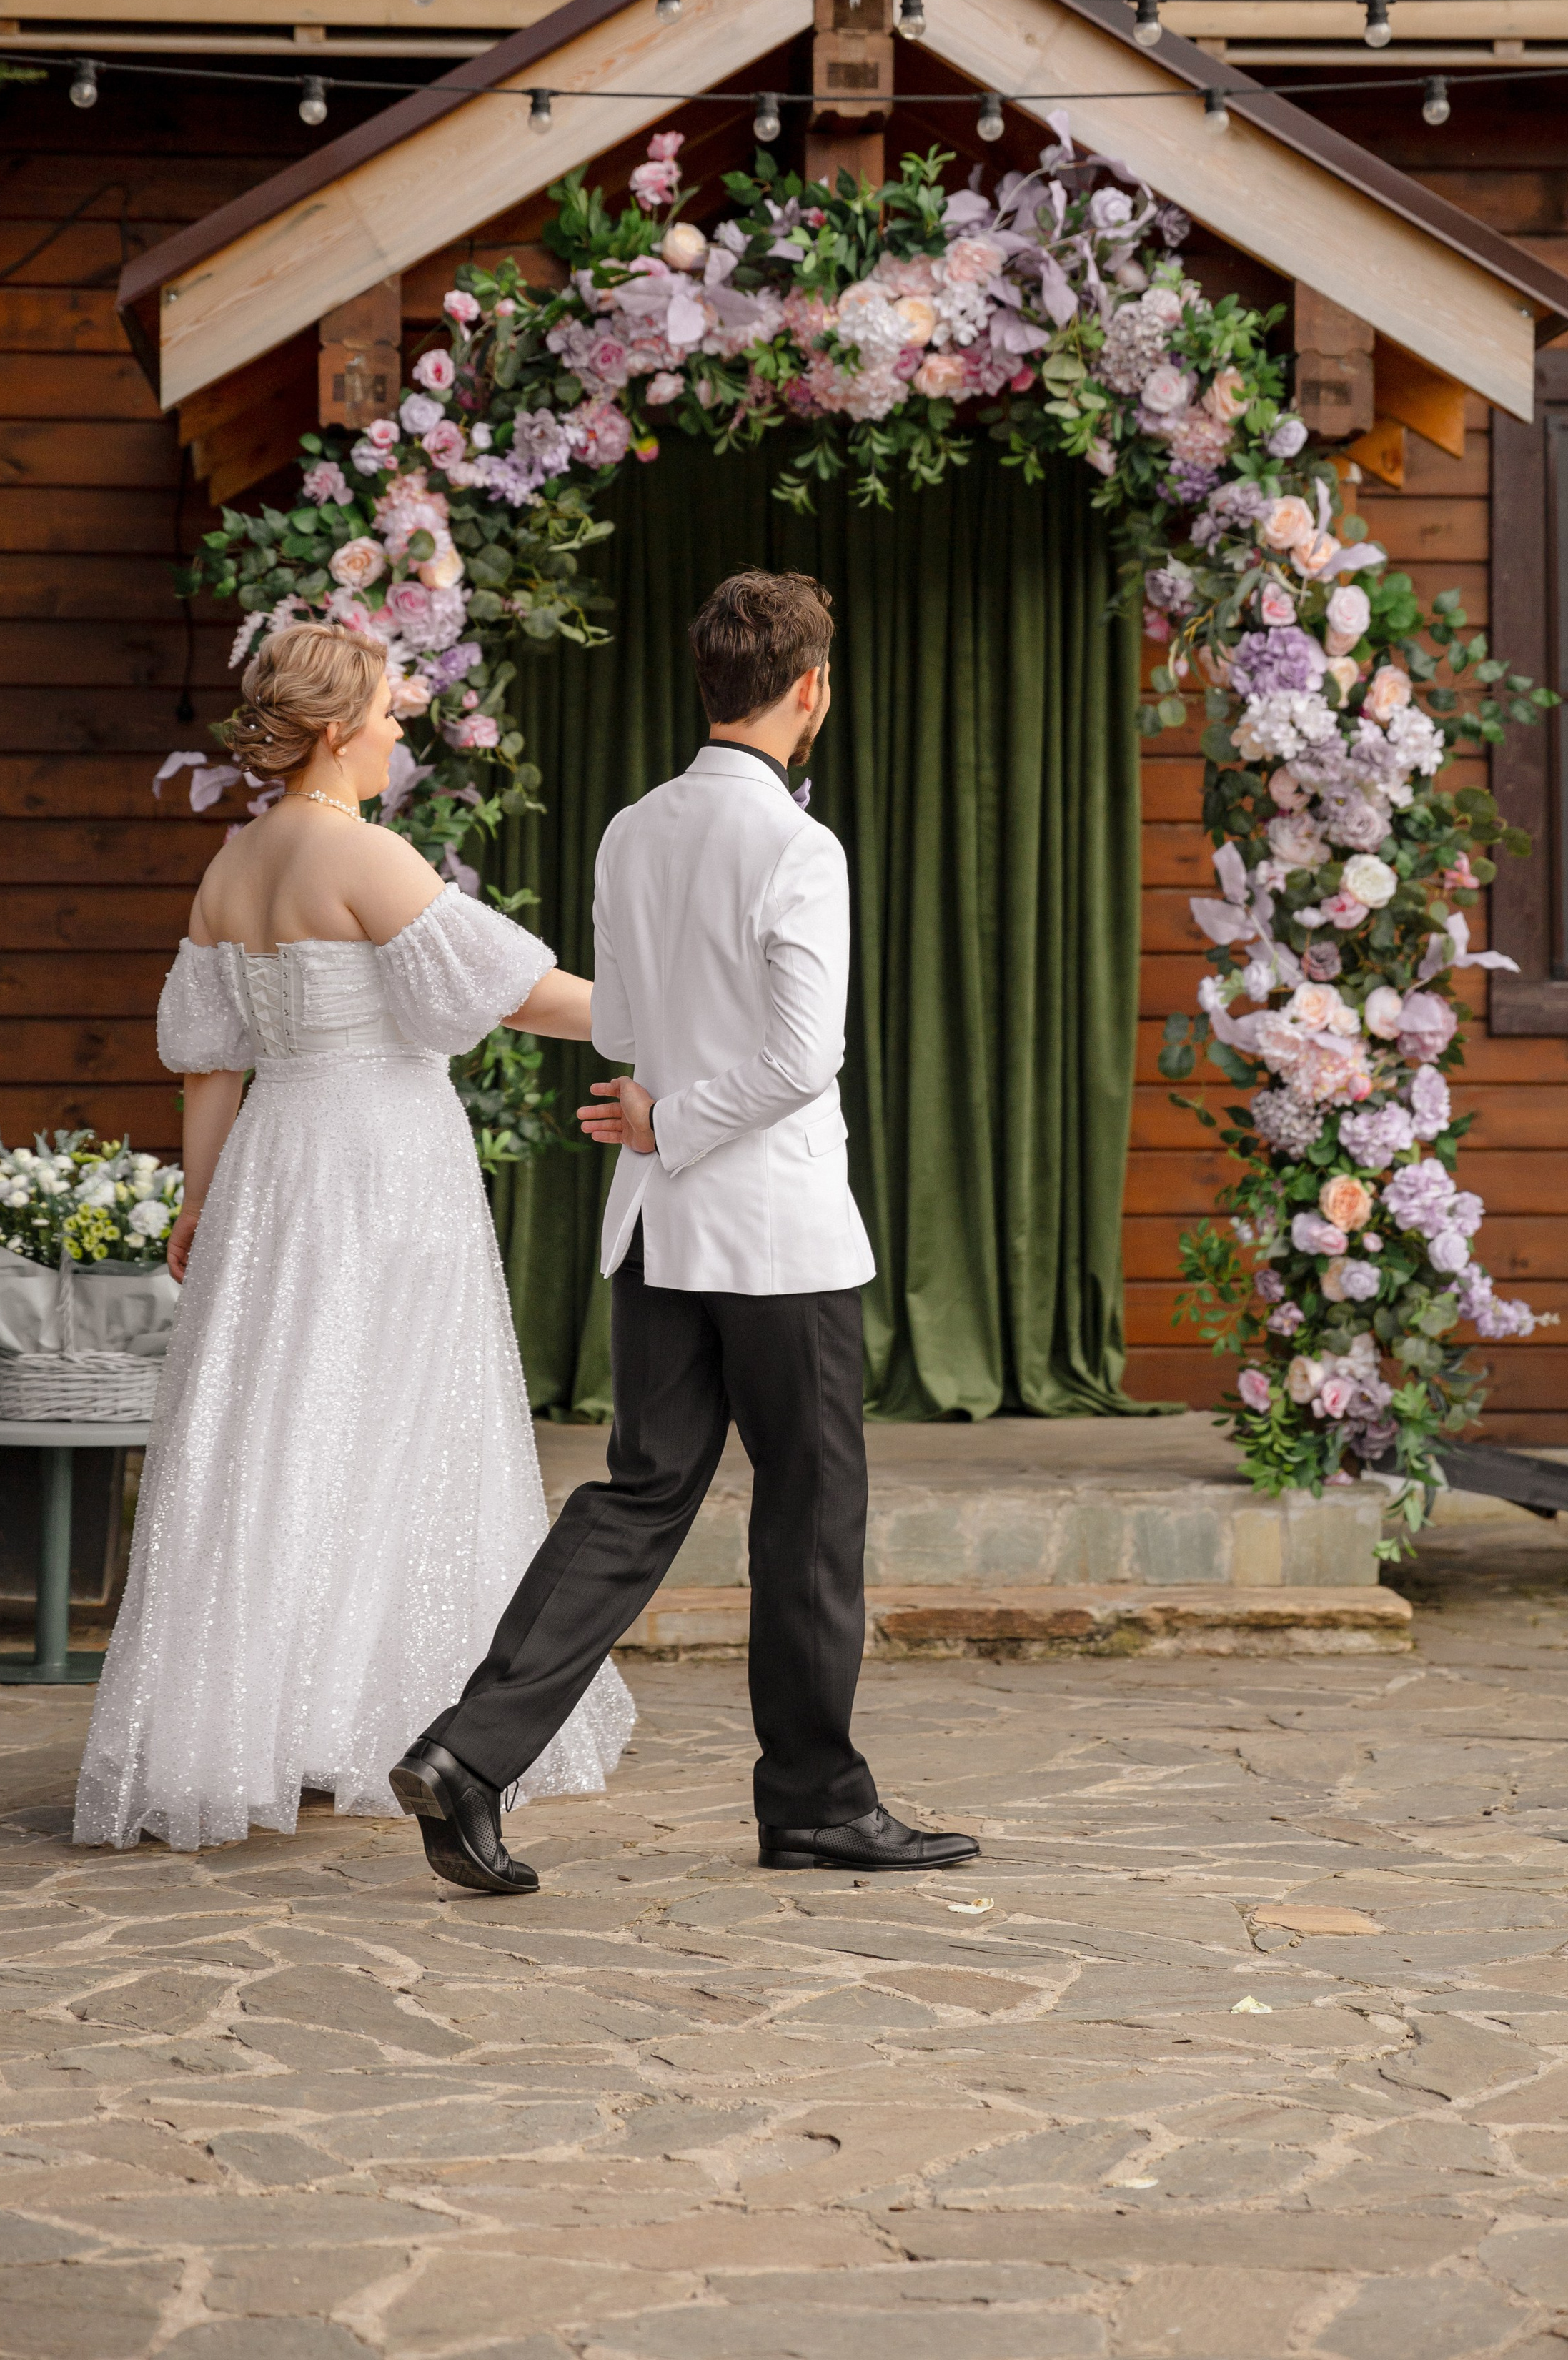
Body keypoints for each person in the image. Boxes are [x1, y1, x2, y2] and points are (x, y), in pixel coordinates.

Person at [389, 570, 979, 1890]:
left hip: (657, 1233)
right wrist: (677, 1119)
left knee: (638, 1496)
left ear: (710, 680)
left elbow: (614, 1031)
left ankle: (469, 1753)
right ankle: (817, 1804)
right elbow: (802, 1061)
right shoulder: (799, 848)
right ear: (813, 688)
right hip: (773, 1236)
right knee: (812, 1510)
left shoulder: (630, 830)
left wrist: (663, 1113)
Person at [74, 625, 632, 1853]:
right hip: (378, 1171)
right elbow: (519, 996)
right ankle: (366, 1715)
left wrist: (200, 1207)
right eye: (387, 712)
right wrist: (673, 1010)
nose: (399, 732)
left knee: (281, 1429)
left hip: (279, 1169)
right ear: (336, 728)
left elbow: (211, 1069)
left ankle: (266, 1722)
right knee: (391, 1424)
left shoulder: (230, 870)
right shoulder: (362, 855)